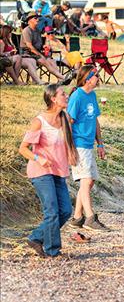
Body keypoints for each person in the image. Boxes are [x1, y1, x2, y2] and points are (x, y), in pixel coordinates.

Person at [18, 84, 79, 257]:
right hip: (40, 171)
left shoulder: (65, 117)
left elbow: (68, 140)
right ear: (53, 99)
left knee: (66, 211)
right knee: (51, 211)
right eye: (63, 94)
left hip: (58, 171)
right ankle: (53, 251)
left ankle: (36, 237)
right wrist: (39, 158)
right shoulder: (40, 121)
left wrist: (72, 156)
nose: (66, 96)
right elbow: (23, 149)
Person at [67, 66, 109, 231]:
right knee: (87, 180)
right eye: (96, 75)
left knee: (88, 182)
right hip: (78, 144)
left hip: (88, 144)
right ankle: (90, 217)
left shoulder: (92, 94)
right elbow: (68, 123)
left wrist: (100, 143)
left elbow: (95, 121)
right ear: (87, 79)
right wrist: (70, 148)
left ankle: (77, 217)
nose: (98, 77)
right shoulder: (77, 96)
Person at [20, 11, 68, 83]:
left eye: (38, 18)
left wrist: (44, 47)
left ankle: (60, 79)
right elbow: (29, 46)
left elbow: (39, 45)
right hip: (27, 54)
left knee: (51, 60)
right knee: (44, 61)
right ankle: (64, 77)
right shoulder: (27, 30)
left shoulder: (37, 30)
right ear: (29, 20)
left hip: (36, 53)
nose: (38, 20)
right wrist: (39, 54)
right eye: (35, 18)